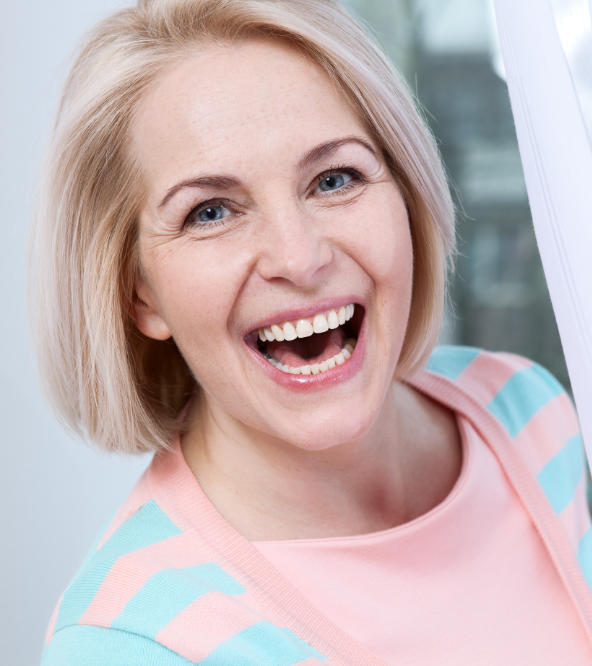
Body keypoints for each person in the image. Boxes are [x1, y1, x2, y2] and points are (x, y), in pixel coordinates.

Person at [32, 0, 592, 663]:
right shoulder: (132, 644)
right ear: (139, 293)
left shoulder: (526, 408)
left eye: (334, 178)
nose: (300, 259)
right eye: (210, 212)